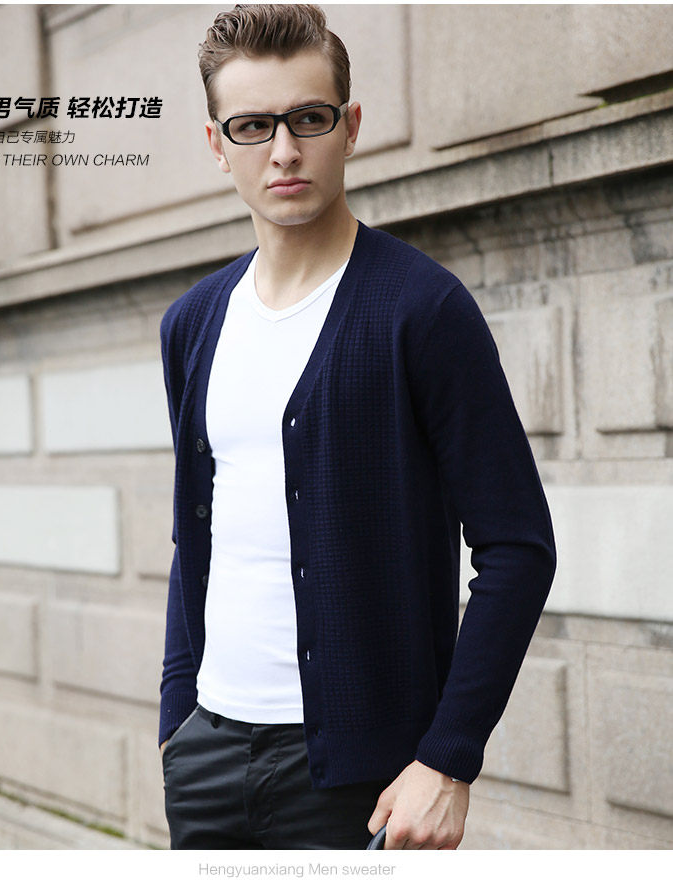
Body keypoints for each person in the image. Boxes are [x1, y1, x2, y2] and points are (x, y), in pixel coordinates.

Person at [158, 4, 556, 850]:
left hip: (363, 781)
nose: (284, 151)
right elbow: (198, 536)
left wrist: (447, 759)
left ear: (351, 126)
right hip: (207, 759)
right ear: (217, 144)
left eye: (309, 118)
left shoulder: (422, 309)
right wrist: (175, 720)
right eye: (253, 126)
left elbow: (518, 547)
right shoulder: (192, 324)